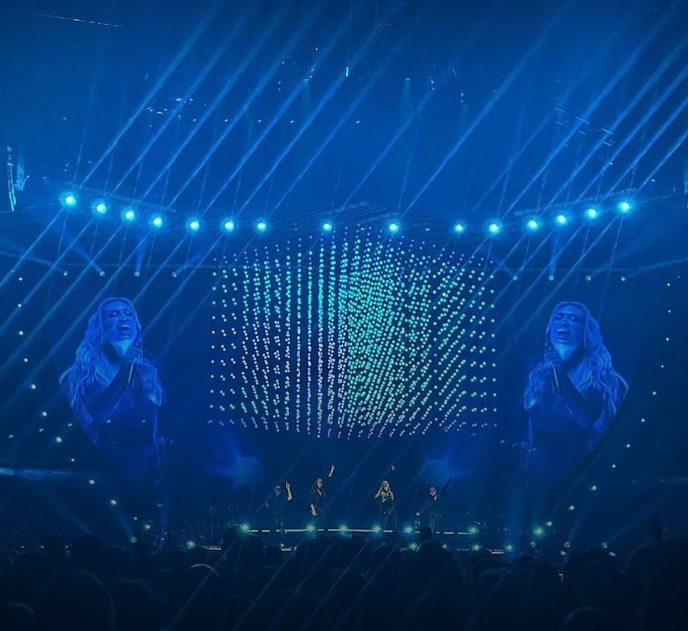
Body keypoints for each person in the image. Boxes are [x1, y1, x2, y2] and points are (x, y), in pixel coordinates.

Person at [522, 301, 627, 519]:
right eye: (558, 317)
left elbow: (586, 420)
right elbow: (532, 422)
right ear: (550, 328)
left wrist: (561, 376)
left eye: (573, 318)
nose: (564, 322)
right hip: (536, 471)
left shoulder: (601, 376)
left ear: (586, 331)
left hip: (575, 470)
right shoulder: (539, 375)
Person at [61, 297, 165, 496]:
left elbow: (152, 419)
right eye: (113, 314)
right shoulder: (85, 372)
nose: (123, 318)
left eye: (128, 313)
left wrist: (158, 457)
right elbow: (99, 414)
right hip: (107, 466)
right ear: (100, 326)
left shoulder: (146, 372)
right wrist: (125, 371)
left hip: (148, 467)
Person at [309, 464, 335, 531]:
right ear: (316, 483)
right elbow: (311, 501)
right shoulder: (313, 491)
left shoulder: (323, 490)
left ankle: (324, 533)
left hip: (323, 508)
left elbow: (328, 480)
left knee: (324, 523)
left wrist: (331, 471)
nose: (320, 483)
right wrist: (313, 510)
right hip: (316, 508)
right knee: (316, 524)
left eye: (321, 482)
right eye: (318, 482)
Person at [374, 465, 397, 532]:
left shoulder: (390, 492)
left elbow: (394, 481)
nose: (386, 487)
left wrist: (393, 472)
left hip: (392, 509)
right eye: (385, 486)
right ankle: (381, 534)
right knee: (383, 525)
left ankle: (394, 533)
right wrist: (381, 501)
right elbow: (376, 499)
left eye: (387, 485)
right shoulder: (380, 493)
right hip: (385, 510)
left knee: (394, 524)